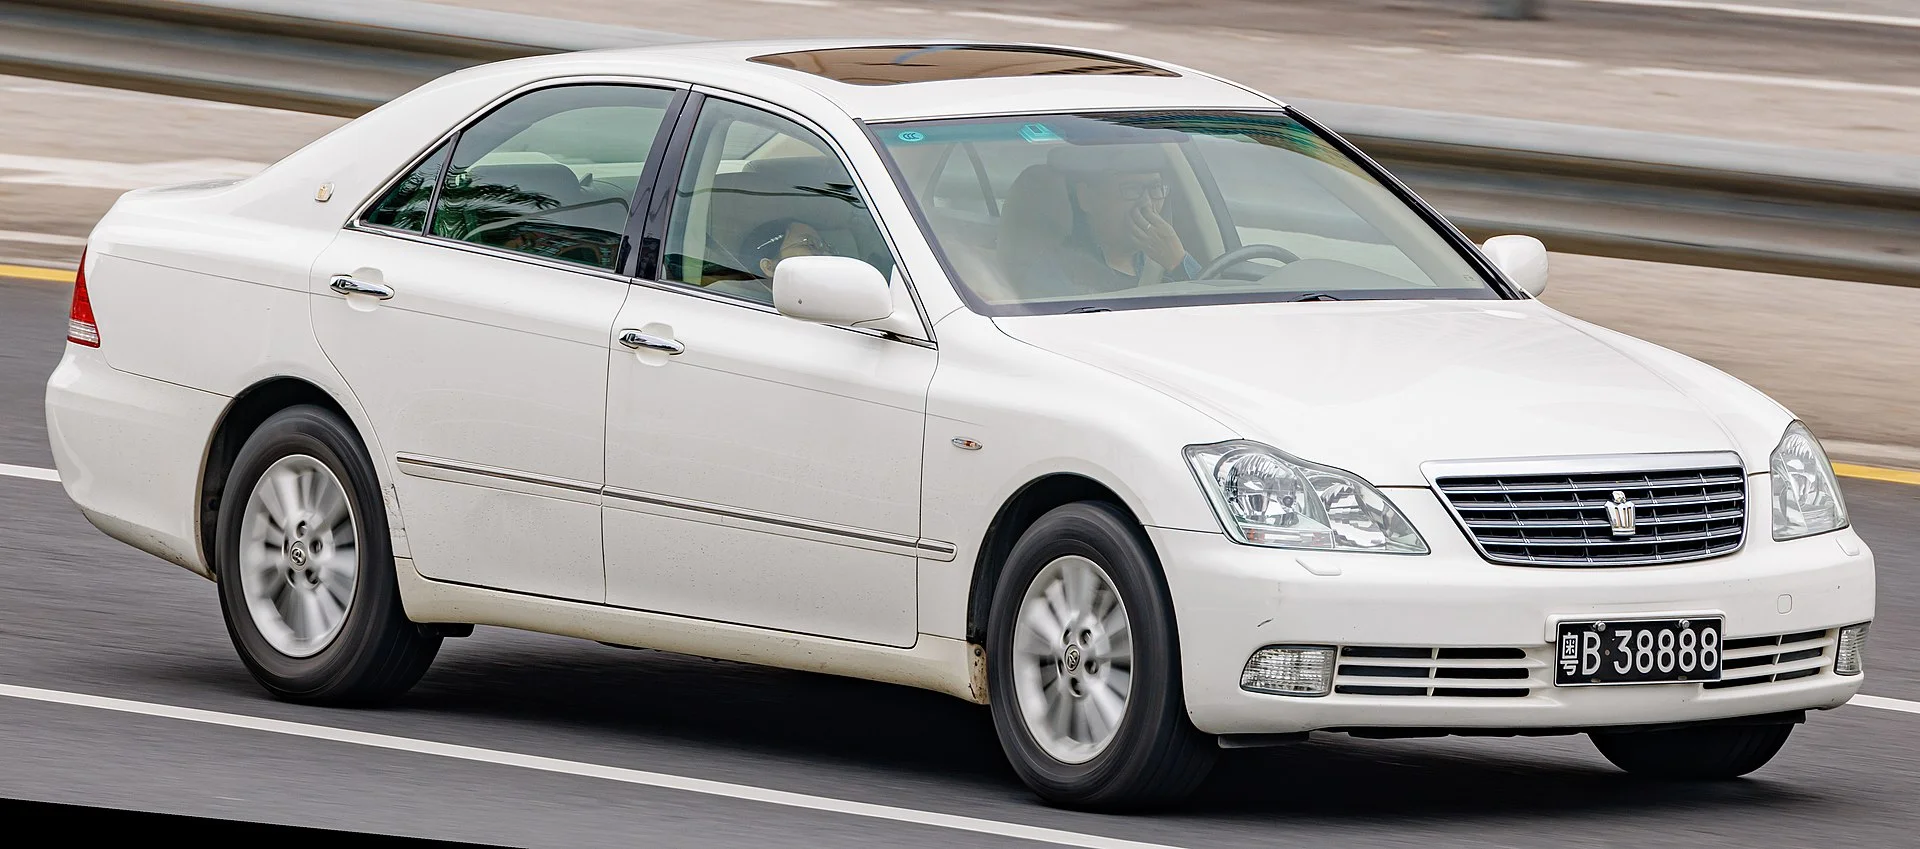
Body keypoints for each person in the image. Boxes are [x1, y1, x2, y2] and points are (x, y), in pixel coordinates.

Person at [1056, 145, 1205, 289]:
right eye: (1132, 189)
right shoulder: (1059, 275)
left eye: (1155, 188)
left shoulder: (1168, 263)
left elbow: (1211, 297)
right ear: (1086, 198)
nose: (1147, 204)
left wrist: (1178, 262)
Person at [711, 216, 831, 303]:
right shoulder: (725, 300)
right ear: (769, 267)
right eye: (811, 244)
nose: (825, 254)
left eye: (827, 248)